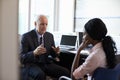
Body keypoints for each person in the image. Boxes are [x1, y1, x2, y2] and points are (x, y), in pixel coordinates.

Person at [20, 15, 70, 80]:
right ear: (35, 24)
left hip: (46, 63)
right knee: (40, 75)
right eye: (42, 24)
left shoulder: (49, 36)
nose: (45, 27)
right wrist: (34, 53)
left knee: (66, 72)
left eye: (46, 24)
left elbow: (53, 54)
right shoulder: (26, 37)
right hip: (32, 64)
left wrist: (56, 52)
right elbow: (22, 58)